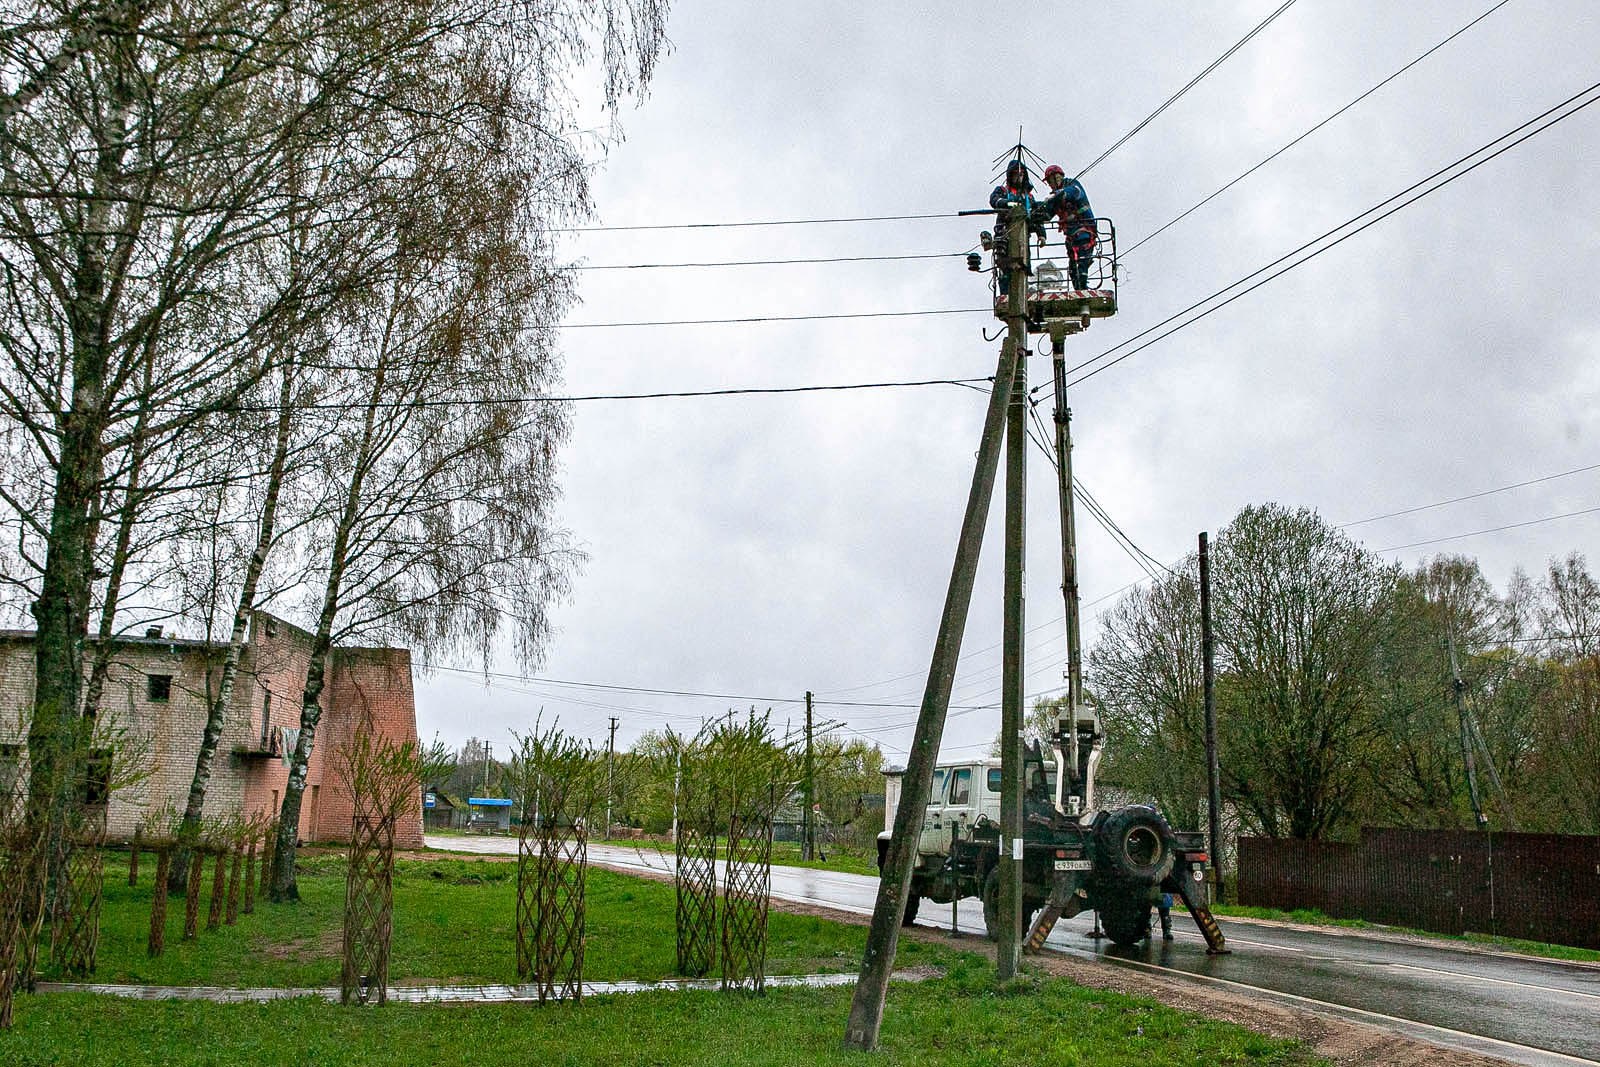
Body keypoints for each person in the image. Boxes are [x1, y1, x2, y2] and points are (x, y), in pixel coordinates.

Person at [988, 158, 1047, 298]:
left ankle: (1020, 293)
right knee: (1005, 266)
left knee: (1022, 265)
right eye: (1015, 174)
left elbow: (1036, 216)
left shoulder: (1028, 197)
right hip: (1004, 234)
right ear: (1010, 175)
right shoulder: (1003, 191)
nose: (1018, 177)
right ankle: (1006, 294)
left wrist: (1041, 234)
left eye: (1021, 174)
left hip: (1023, 237)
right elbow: (994, 201)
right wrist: (1009, 203)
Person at [1039, 164, 1097, 289]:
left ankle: (1082, 288)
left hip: (1084, 231)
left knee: (1081, 263)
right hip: (1071, 236)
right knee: (1073, 269)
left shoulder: (1072, 185)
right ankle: (1079, 289)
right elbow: (1047, 215)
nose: (1050, 184)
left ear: (1059, 177)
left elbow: (1075, 192)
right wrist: (1037, 208)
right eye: (1049, 182)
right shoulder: (1055, 198)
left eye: (1052, 180)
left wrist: (1059, 194)